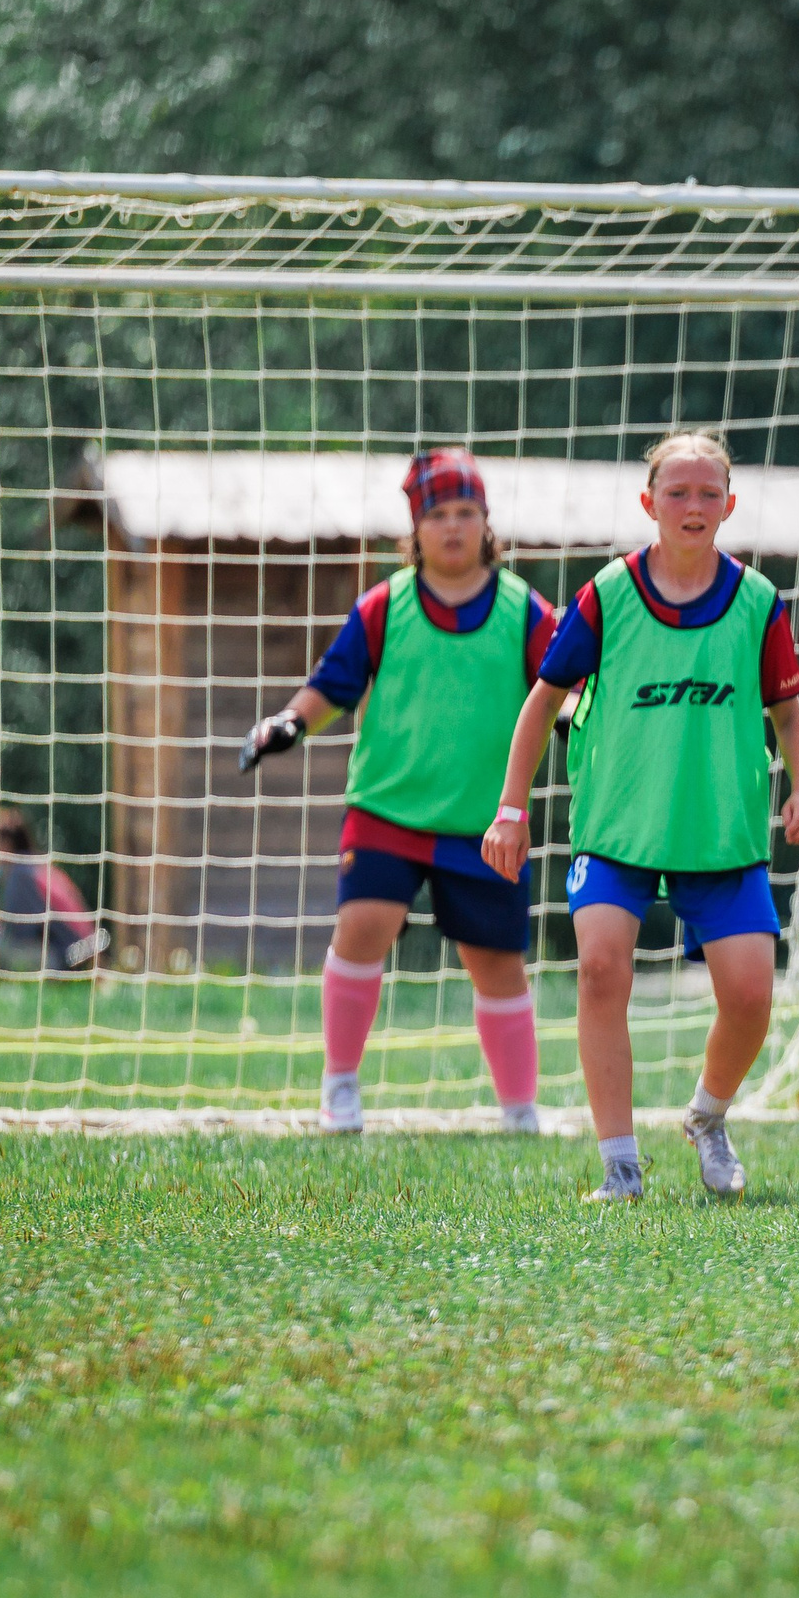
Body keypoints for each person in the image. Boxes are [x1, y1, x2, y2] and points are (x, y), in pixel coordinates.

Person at [483, 431, 799, 1203]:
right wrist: (511, 807)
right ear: (649, 503)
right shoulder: (607, 595)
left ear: (730, 504)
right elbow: (542, 701)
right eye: (678, 491)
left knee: (749, 997)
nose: (694, 505)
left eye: (709, 492)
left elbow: (790, 713)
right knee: (603, 967)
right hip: (618, 828)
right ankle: (620, 1165)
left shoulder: (758, 602)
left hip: (720, 830)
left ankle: (707, 1118)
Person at [240, 446, 556, 1136]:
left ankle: (519, 1108)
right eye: (438, 513)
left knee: (498, 964)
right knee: (362, 928)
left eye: (466, 511)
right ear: (414, 529)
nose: (452, 526)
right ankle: (341, 1089)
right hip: (387, 807)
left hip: (483, 822)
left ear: (486, 522)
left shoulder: (524, 609)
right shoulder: (383, 607)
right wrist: (290, 721)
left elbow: (562, 688)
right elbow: (332, 686)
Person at [0, 808, 105, 973]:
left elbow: (23, 933)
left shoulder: (20, 874)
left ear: (3, 845)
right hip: (73, 954)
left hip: (64, 959)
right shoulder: (33, 867)